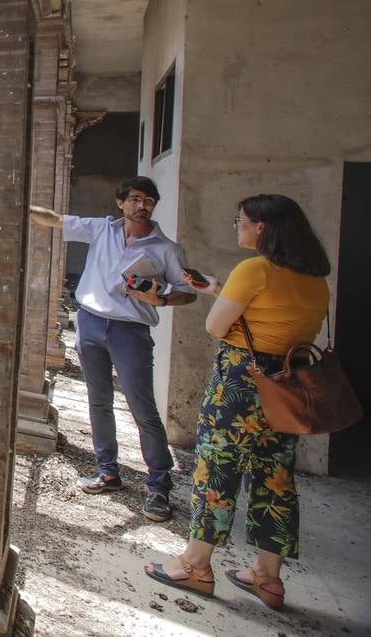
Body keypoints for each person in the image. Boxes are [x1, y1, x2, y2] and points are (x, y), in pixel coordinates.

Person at [145, 194, 331, 610]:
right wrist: (216, 288)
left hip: (241, 383)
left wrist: (223, 301)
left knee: (217, 469)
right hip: (287, 383)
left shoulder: (255, 269)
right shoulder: (315, 278)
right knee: (276, 477)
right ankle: (268, 576)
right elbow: (272, 318)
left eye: (240, 220)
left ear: (261, 226)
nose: (237, 226)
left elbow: (217, 327)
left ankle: (196, 564)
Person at [31, 175, 197, 520]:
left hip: (130, 330)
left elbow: (189, 291)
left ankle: (159, 486)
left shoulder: (165, 249)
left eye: (148, 200)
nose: (141, 206)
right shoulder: (102, 230)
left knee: (142, 407)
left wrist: (161, 298)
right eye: (135, 199)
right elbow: (56, 220)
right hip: (90, 321)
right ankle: (107, 470)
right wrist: (21, 205)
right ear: (120, 202)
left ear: (154, 206)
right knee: (99, 400)